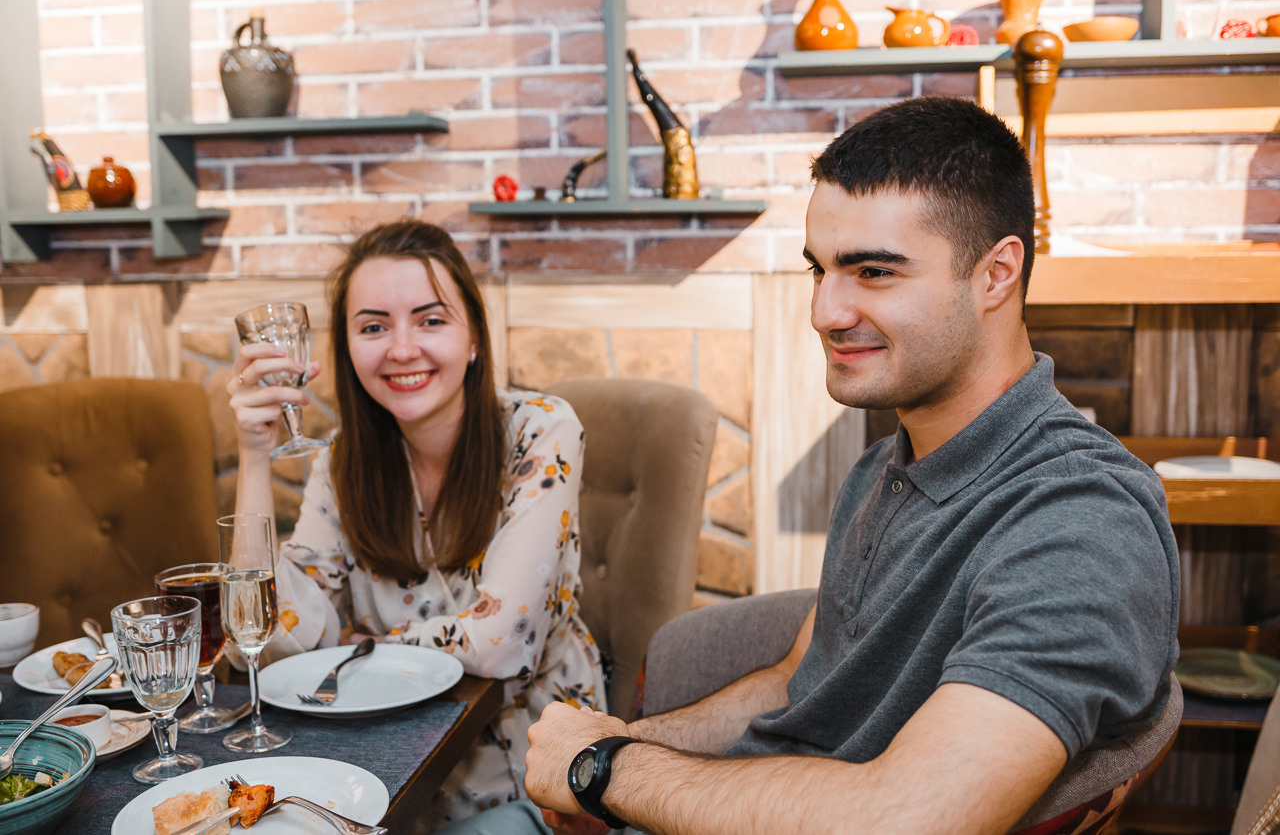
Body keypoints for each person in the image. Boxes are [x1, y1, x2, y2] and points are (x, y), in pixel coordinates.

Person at [452, 96, 1181, 835]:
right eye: (820, 269)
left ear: (996, 275)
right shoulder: (881, 472)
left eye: (872, 272)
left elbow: (912, 819)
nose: (825, 310)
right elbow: (792, 682)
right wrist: (621, 748)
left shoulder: (1081, 518)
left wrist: (605, 772)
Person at [228, 219, 607, 826]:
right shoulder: (339, 462)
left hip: (537, 772)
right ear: (349, 351)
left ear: (474, 338)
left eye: (430, 320)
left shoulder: (543, 430)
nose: (402, 348)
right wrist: (253, 454)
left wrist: (359, 649)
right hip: (383, 771)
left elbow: (500, 643)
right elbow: (276, 640)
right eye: (374, 327)